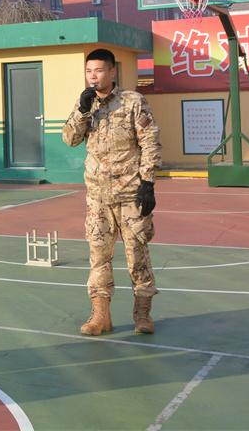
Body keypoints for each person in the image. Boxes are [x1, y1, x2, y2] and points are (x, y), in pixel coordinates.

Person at [62, 48, 161, 336]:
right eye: (88, 71)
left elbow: (150, 141)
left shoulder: (133, 102)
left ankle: (142, 315)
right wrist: (82, 111)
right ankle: (100, 316)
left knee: (137, 256)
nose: (93, 76)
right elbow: (69, 139)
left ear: (112, 71)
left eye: (99, 70)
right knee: (99, 257)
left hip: (130, 194)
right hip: (98, 198)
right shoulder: (85, 104)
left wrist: (148, 183)